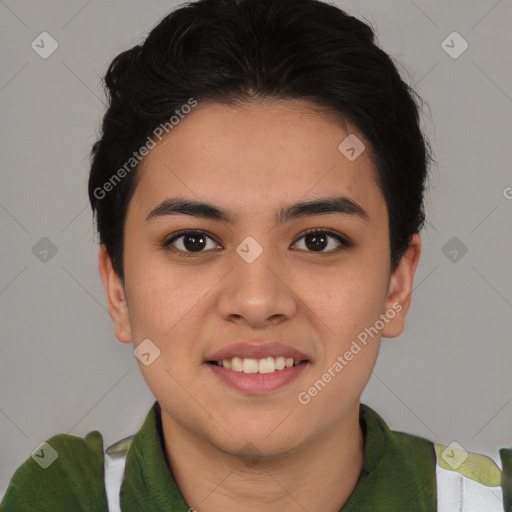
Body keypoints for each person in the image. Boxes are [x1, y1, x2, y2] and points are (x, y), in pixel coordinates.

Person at [1, 0, 510, 510]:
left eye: (318, 240)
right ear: (118, 290)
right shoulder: (56, 498)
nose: (257, 300)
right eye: (193, 241)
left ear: (397, 284)